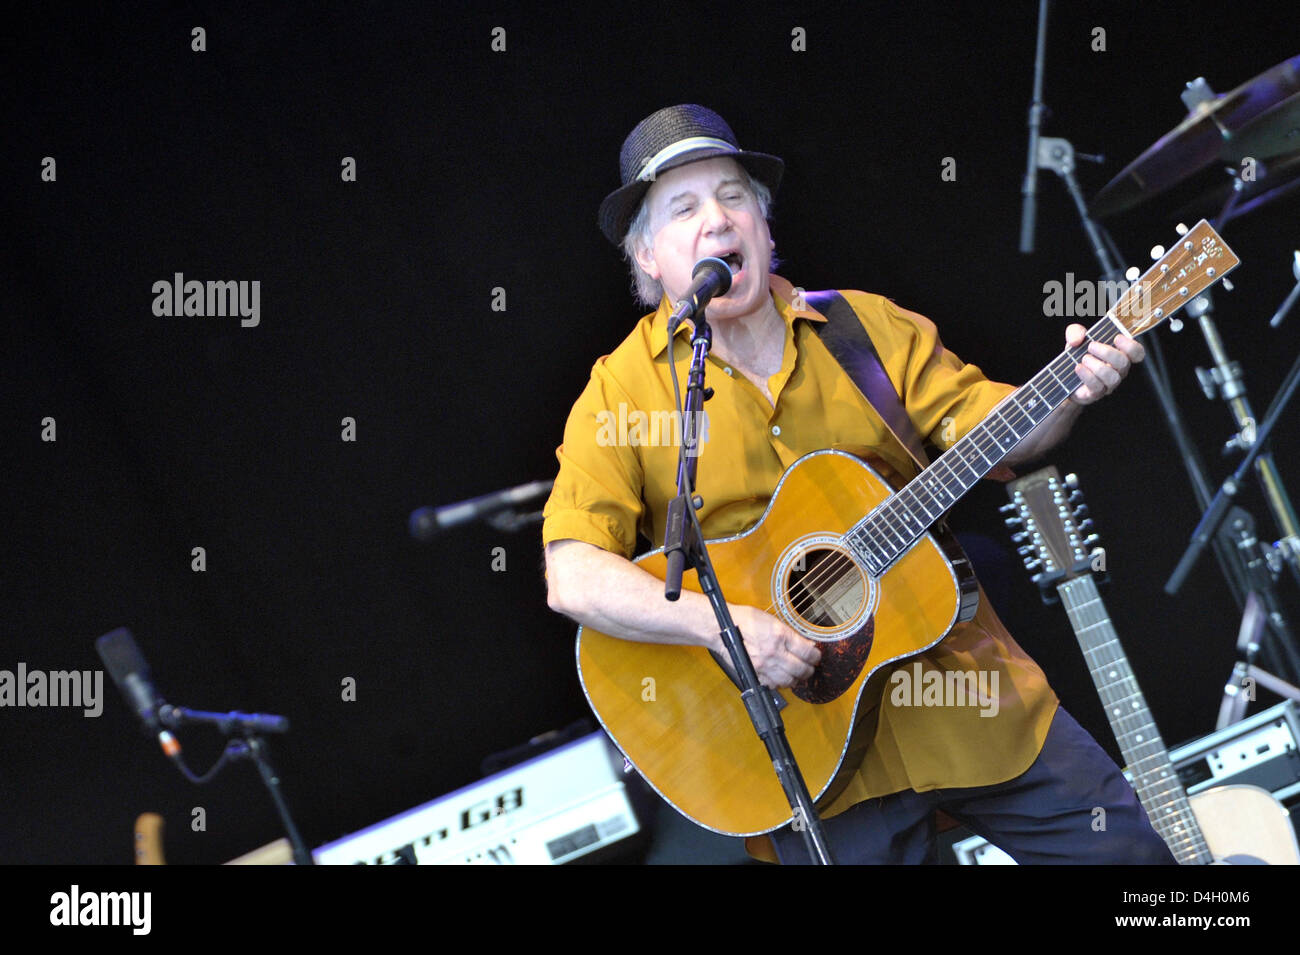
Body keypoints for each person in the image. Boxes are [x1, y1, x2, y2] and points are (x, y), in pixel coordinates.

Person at [542, 104, 1174, 864]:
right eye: (685, 207)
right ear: (648, 256)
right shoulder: (624, 390)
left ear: (765, 226)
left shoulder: (863, 328)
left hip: (966, 699)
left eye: (733, 195)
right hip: (810, 765)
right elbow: (571, 572)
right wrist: (727, 630)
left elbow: (1001, 427)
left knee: (1138, 865)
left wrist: (1071, 387)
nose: (717, 219)